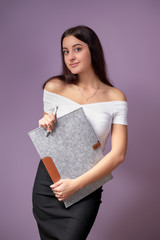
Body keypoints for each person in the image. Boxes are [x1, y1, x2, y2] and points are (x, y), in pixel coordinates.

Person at [32, 25, 128, 240]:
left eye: (77, 49)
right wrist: (45, 122)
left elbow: (118, 153)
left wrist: (76, 184)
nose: (70, 57)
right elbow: (50, 134)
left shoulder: (116, 97)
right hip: (50, 184)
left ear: (92, 50)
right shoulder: (55, 86)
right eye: (65, 51)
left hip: (85, 186)